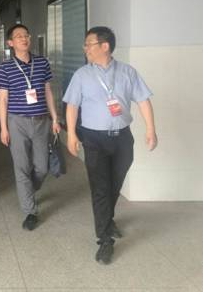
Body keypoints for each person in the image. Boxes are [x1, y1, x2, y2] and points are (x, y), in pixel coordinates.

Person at [63, 26, 157, 265]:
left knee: (114, 184)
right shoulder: (82, 75)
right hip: (94, 139)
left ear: (104, 46)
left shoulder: (127, 72)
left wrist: (150, 129)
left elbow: (143, 100)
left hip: (123, 138)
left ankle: (107, 219)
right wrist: (71, 134)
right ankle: (105, 240)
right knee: (100, 188)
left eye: (89, 44)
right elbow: (72, 106)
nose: (85, 48)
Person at [0, 24, 60, 231]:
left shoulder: (42, 63)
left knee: (42, 167)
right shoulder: (6, 67)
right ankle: (30, 211)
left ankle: (28, 191)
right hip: (17, 121)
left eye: (26, 35)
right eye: (19, 36)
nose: (24, 39)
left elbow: (48, 91)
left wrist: (55, 118)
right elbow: (3, 100)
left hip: (41, 121)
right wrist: (3, 128)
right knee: (22, 167)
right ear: (10, 43)